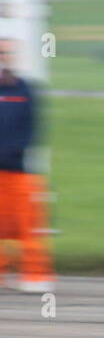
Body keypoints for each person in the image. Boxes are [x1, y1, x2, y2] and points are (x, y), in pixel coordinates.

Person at [0, 45, 52, 292]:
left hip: (20, 172)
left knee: (27, 226)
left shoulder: (25, 89)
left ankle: (35, 276)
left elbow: (32, 127)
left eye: (7, 54)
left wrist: (15, 150)